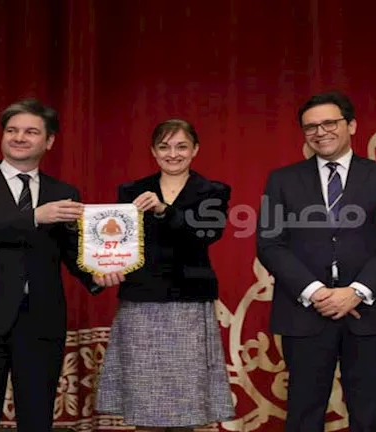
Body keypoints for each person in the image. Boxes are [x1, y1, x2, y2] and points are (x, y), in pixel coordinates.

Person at [0, 98, 115, 432]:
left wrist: (98, 273)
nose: (19, 137)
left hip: (41, 320)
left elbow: (71, 251)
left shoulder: (63, 191)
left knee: (37, 419)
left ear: (49, 141)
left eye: (31, 132)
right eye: (12, 130)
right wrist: (34, 216)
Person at [256, 92, 376, 432]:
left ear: (351, 125)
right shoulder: (282, 180)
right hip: (305, 312)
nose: (320, 132)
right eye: (311, 127)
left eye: (329, 123)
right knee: (303, 414)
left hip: (370, 312)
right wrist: (316, 292)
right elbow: (269, 244)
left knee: (369, 414)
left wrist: (356, 292)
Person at [96, 119, 235, 432]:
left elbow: (206, 233)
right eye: (164, 147)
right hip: (141, 300)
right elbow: (116, 241)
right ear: (153, 151)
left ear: (195, 150)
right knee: (144, 402)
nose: (173, 154)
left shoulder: (213, 191)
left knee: (186, 403)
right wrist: (104, 265)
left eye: (181, 146)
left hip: (188, 301)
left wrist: (164, 210)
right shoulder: (131, 191)